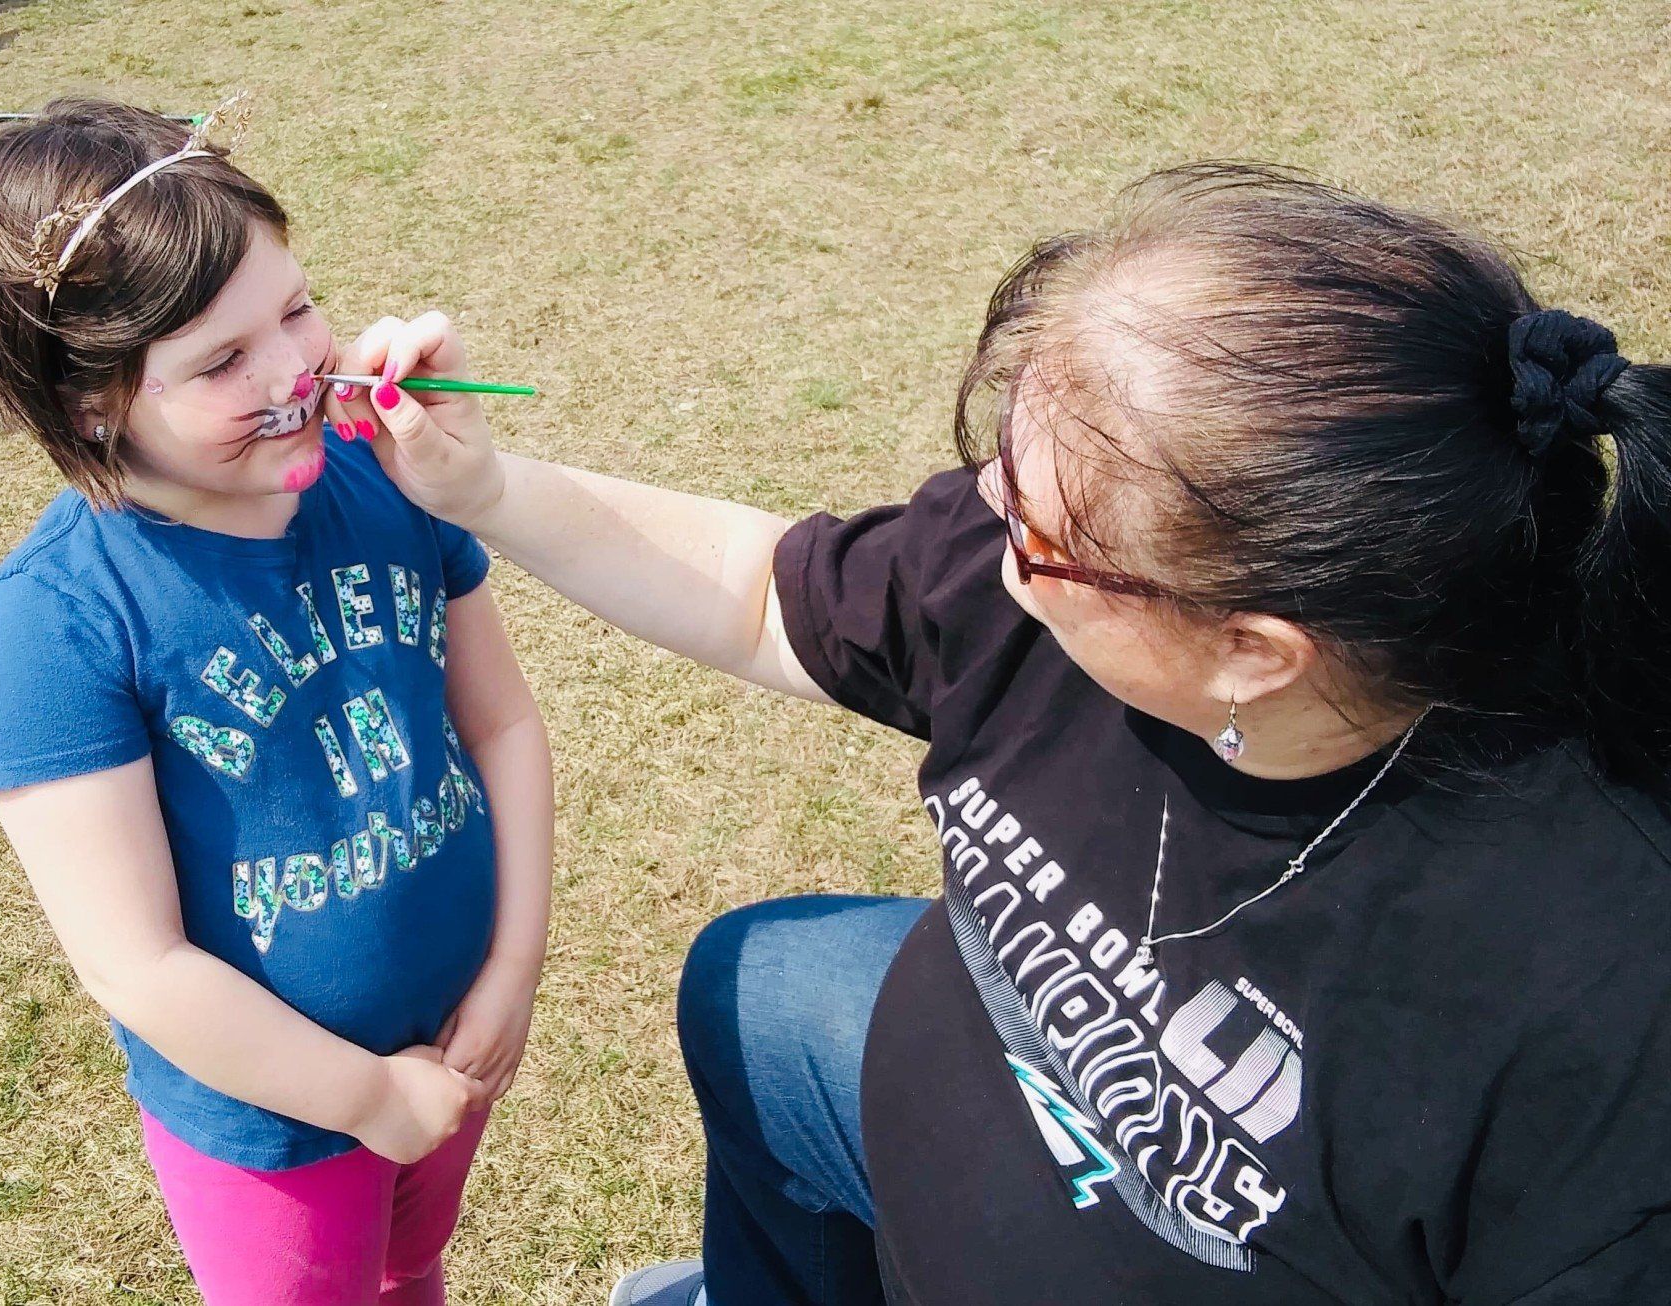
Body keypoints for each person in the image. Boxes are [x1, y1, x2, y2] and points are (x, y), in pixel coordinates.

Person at [324, 164, 1671, 1303]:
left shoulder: (1593, 1007)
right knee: (758, 989)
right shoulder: (1083, 540)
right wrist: (484, 485)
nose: (986, 535)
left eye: (1034, 530)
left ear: (1252, 650)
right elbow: (754, 594)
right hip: (942, 1111)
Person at [0, 98, 554, 1306]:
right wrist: (370, 1098)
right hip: (273, 1131)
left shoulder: (390, 484)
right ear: (91, 403)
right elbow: (139, 964)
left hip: (456, 1044)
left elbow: (503, 724)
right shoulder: (50, 627)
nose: (294, 371)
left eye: (295, 309)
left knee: (412, 1272)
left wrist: (511, 970)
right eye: (221, 361)